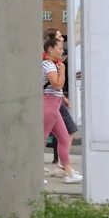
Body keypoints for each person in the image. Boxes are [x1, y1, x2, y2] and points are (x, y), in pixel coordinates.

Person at [43, 37, 81, 183]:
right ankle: (35, 174)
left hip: (55, 106)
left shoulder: (53, 65)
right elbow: (57, 85)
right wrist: (63, 71)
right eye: (59, 48)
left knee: (64, 138)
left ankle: (69, 172)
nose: (62, 50)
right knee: (42, 139)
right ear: (50, 49)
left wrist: (64, 99)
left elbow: (57, 90)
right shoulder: (49, 65)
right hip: (48, 106)